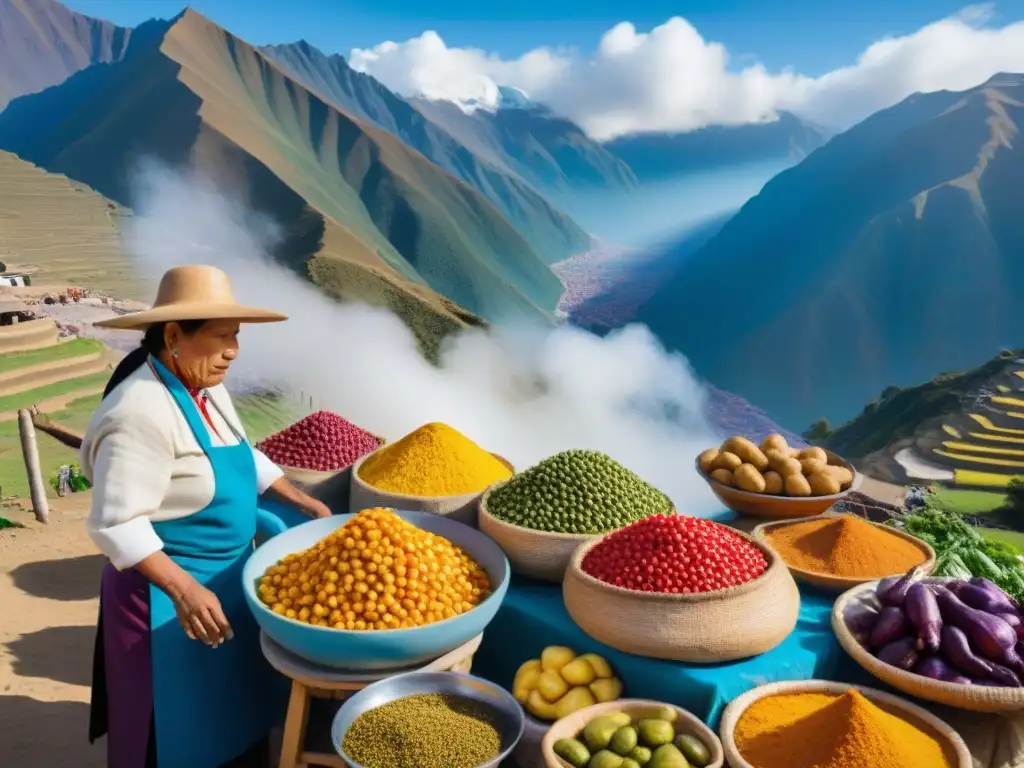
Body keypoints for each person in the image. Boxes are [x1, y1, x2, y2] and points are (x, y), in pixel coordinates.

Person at [83, 265, 332, 768]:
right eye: (221, 337)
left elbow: (241, 453)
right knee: (176, 735)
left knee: (235, 720)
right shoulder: (139, 413)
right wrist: (185, 590)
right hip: (167, 609)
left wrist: (298, 497)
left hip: (222, 590)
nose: (234, 350)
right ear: (174, 336)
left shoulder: (206, 388)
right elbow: (117, 524)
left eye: (236, 336)